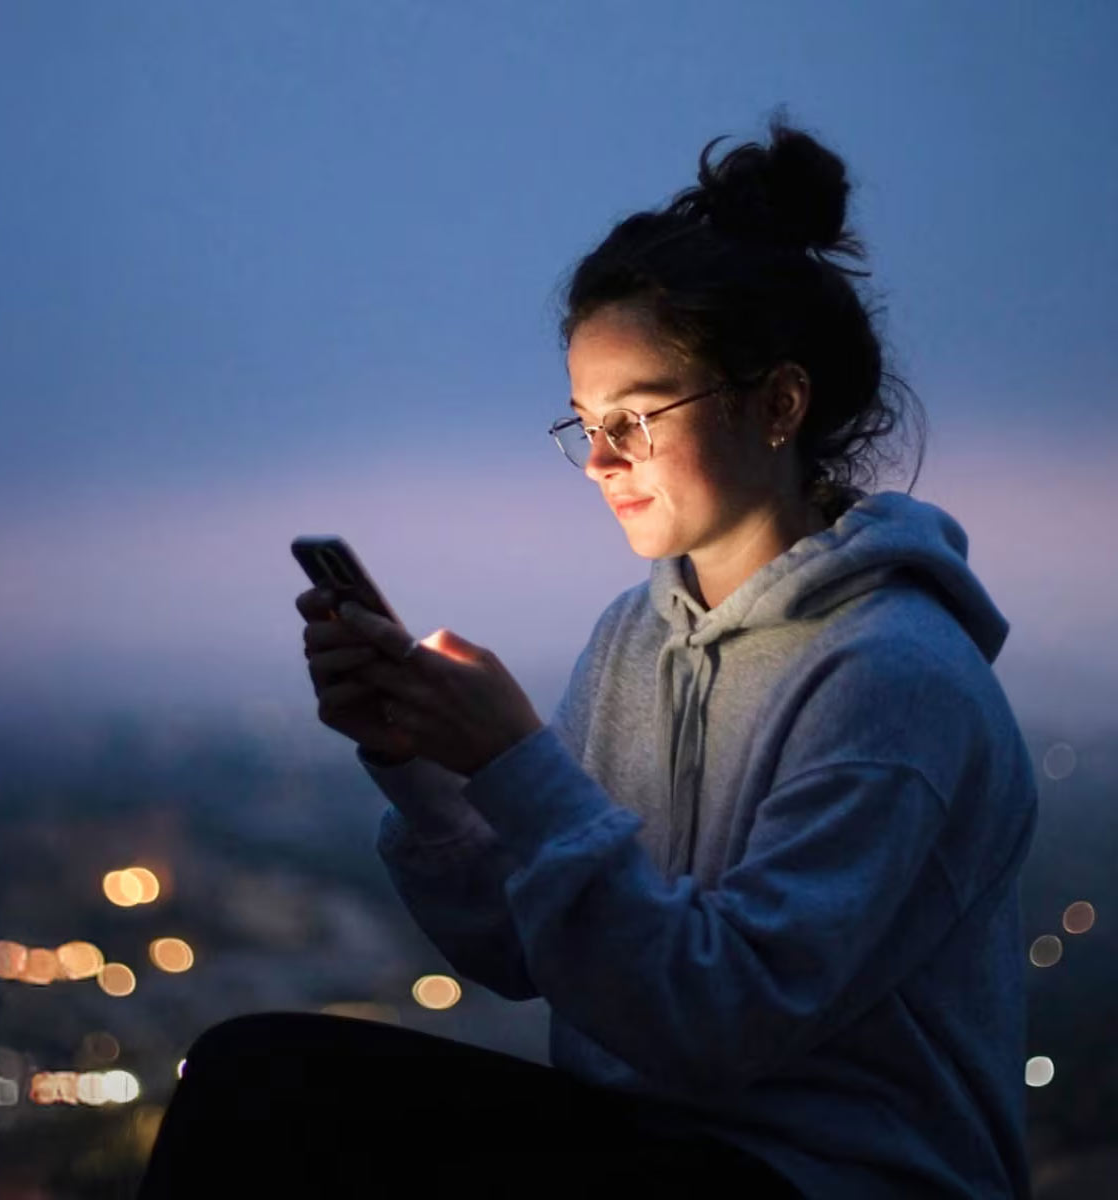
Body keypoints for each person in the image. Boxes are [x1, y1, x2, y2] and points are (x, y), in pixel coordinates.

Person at [137, 112, 1037, 1198]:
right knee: (253, 1072)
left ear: (780, 405)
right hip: (649, 1134)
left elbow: (719, 1020)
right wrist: (423, 769)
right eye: (584, 422)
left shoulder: (895, 678)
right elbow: (521, 953)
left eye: (641, 416)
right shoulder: (633, 637)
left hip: (824, 1175)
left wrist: (517, 762)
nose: (601, 460)